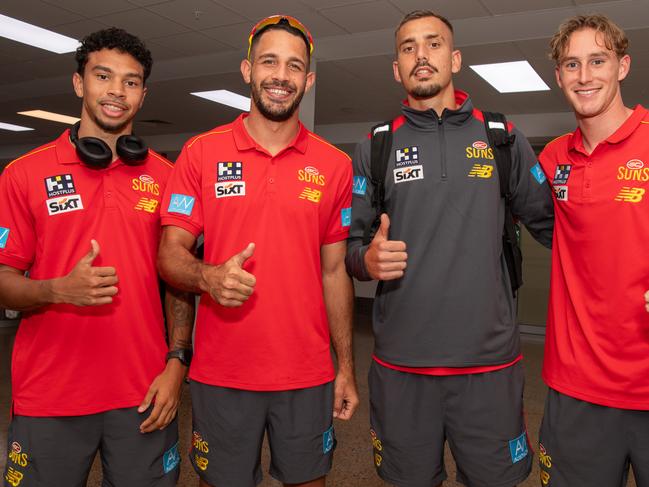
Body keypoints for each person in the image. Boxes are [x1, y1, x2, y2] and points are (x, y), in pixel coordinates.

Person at [346, 10, 554, 487]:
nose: (421, 55)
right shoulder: (375, 146)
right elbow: (351, 248)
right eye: (408, 47)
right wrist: (367, 261)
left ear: (455, 58)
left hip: (489, 365)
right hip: (402, 366)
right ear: (396, 68)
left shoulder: (502, 137)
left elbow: (558, 229)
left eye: (434, 44)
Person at [157, 14, 359, 487]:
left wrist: (345, 367)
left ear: (307, 80)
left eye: (294, 66)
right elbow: (170, 254)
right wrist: (208, 277)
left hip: (307, 376)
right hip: (222, 373)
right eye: (269, 61)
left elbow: (335, 272)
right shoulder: (201, 153)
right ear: (247, 70)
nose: (280, 76)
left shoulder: (335, 165)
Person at [0, 28, 194, 486]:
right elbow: (3, 278)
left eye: (130, 82)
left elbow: (178, 280)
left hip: (143, 393)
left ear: (142, 95)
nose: (115, 91)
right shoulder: (24, 175)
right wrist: (56, 289)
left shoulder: (168, 178)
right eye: (103, 76)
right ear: (78, 83)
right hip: (49, 395)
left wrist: (176, 363)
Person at [537, 14, 649, 487]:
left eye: (597, 61)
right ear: (559, 77)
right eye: (571, 64)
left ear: (623, 66)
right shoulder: (552, 158)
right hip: (575, 386)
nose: (585, 77)